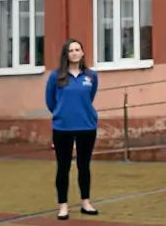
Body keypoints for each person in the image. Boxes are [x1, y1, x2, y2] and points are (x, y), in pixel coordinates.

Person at [45, 39, 100, 220]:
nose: (75, 53)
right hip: (63, 128)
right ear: (66, 55)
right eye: (71, 50)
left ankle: (86, 202)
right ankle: (63, 206)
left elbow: (89, 98)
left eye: (78, 50)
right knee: (63, 167)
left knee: (84, 166)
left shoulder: (91, 76)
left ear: (83, 53)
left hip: (86, 126)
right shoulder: (56, 77)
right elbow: (51, 101)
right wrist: (62, 114)